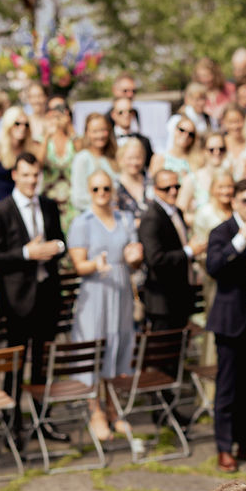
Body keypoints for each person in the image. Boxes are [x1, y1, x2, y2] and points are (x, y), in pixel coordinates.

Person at [0, 151, 65, 432]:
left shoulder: (48, 205)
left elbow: (61, 241)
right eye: (26, 175)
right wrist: (28, 253)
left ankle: (44, 420)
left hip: (47, 294)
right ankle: (12, 422)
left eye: (35, 175)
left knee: (43, 363)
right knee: (15, 365)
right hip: (17, 299)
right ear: (15, 176)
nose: (32, 181)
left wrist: (56, 249)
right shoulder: (0, 211)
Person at [67, 169, 143, 441]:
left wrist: (135, 257)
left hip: (121, 291)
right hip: (96, 292)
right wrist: (94, 265)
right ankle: (95, 410)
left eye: (106, 189)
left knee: (119, 346)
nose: (101, 194)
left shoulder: (124, 219)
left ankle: (113, 408)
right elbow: (78, 265)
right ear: (89, 192)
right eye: (96, 189)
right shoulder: (82, 222)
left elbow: (133, 257)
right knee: (95, 349)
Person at [205, 178, 246, 471]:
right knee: (227, 386)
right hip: (230, 319)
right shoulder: (223, 232)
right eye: (245, 201)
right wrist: (241, 237)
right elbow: (214, 267)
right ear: (234, 203)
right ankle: (224, 447)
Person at [138, 170, 205, 332]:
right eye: (166, 188)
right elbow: (155, 259)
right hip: (162, 302)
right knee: (162, 353)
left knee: (178, 351)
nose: (173, 191)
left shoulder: (177, 212)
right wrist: (189, 251)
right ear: (155, 189)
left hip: (180, 297)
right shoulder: (151, 217)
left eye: (176, 186)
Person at [0, 105, 36, 213]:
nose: (22, 128)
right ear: (9, 124)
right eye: (17, 124)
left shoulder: (28, 150)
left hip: (22, 209)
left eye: (26, 124)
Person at [69, 112, 118, 215]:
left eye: (103, 130)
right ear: (87, 133)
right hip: (92, 217)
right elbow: (78, 198)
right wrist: (104, 208)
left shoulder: (114, 157)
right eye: (95, 131)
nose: (100, 135)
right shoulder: (82, 159)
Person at [179, 130, 229, 226]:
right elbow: (180, 212)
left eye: (221, 149)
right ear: (203, 151)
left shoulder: (231, 177)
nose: (217, 152)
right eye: (211, 149)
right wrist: (199, 221)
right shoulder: (192, 179)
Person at [41, 97, 77, 211]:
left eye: (61, 109)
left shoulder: (74, 139)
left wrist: (70, 126)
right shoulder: (41, 140)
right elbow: (38, 164)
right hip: (49, 200)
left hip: (73, 201)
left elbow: (82, 157)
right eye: (53, 109)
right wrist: (47, 134)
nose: (57, 113)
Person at [149, 115, 199, 190]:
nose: (185, 135)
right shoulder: (159, 158)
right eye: (182, 130)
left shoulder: (195, 161)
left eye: (190, 134)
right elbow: (152, 186)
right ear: (174, 130)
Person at [113, 135, 150, 221]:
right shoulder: (115, 186)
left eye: (138, 158)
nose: (134, 162)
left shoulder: (149, 181)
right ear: (121, 159)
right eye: (130, 158)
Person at [218, 102, 246, 180]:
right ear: (224, 122)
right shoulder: (218, 144)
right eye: (231, 122)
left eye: (238, 121)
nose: (235, 126)